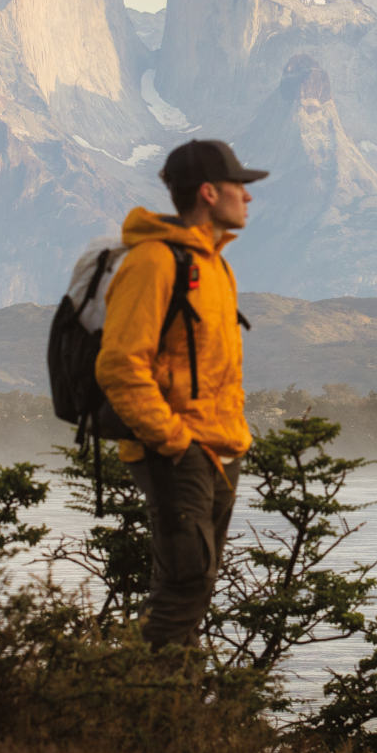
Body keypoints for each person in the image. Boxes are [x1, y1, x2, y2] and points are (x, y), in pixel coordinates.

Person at [94, 137, 267, 649]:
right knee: (181, 589)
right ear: (210, 193)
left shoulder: (216, 265)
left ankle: (177, 717)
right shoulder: (153, 261)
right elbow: (121, 363)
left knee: (195, 590)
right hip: (177, 452)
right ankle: (159, 720)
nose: (249, 198)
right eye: (242, 186)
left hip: (218, 450)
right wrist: (173, 441)